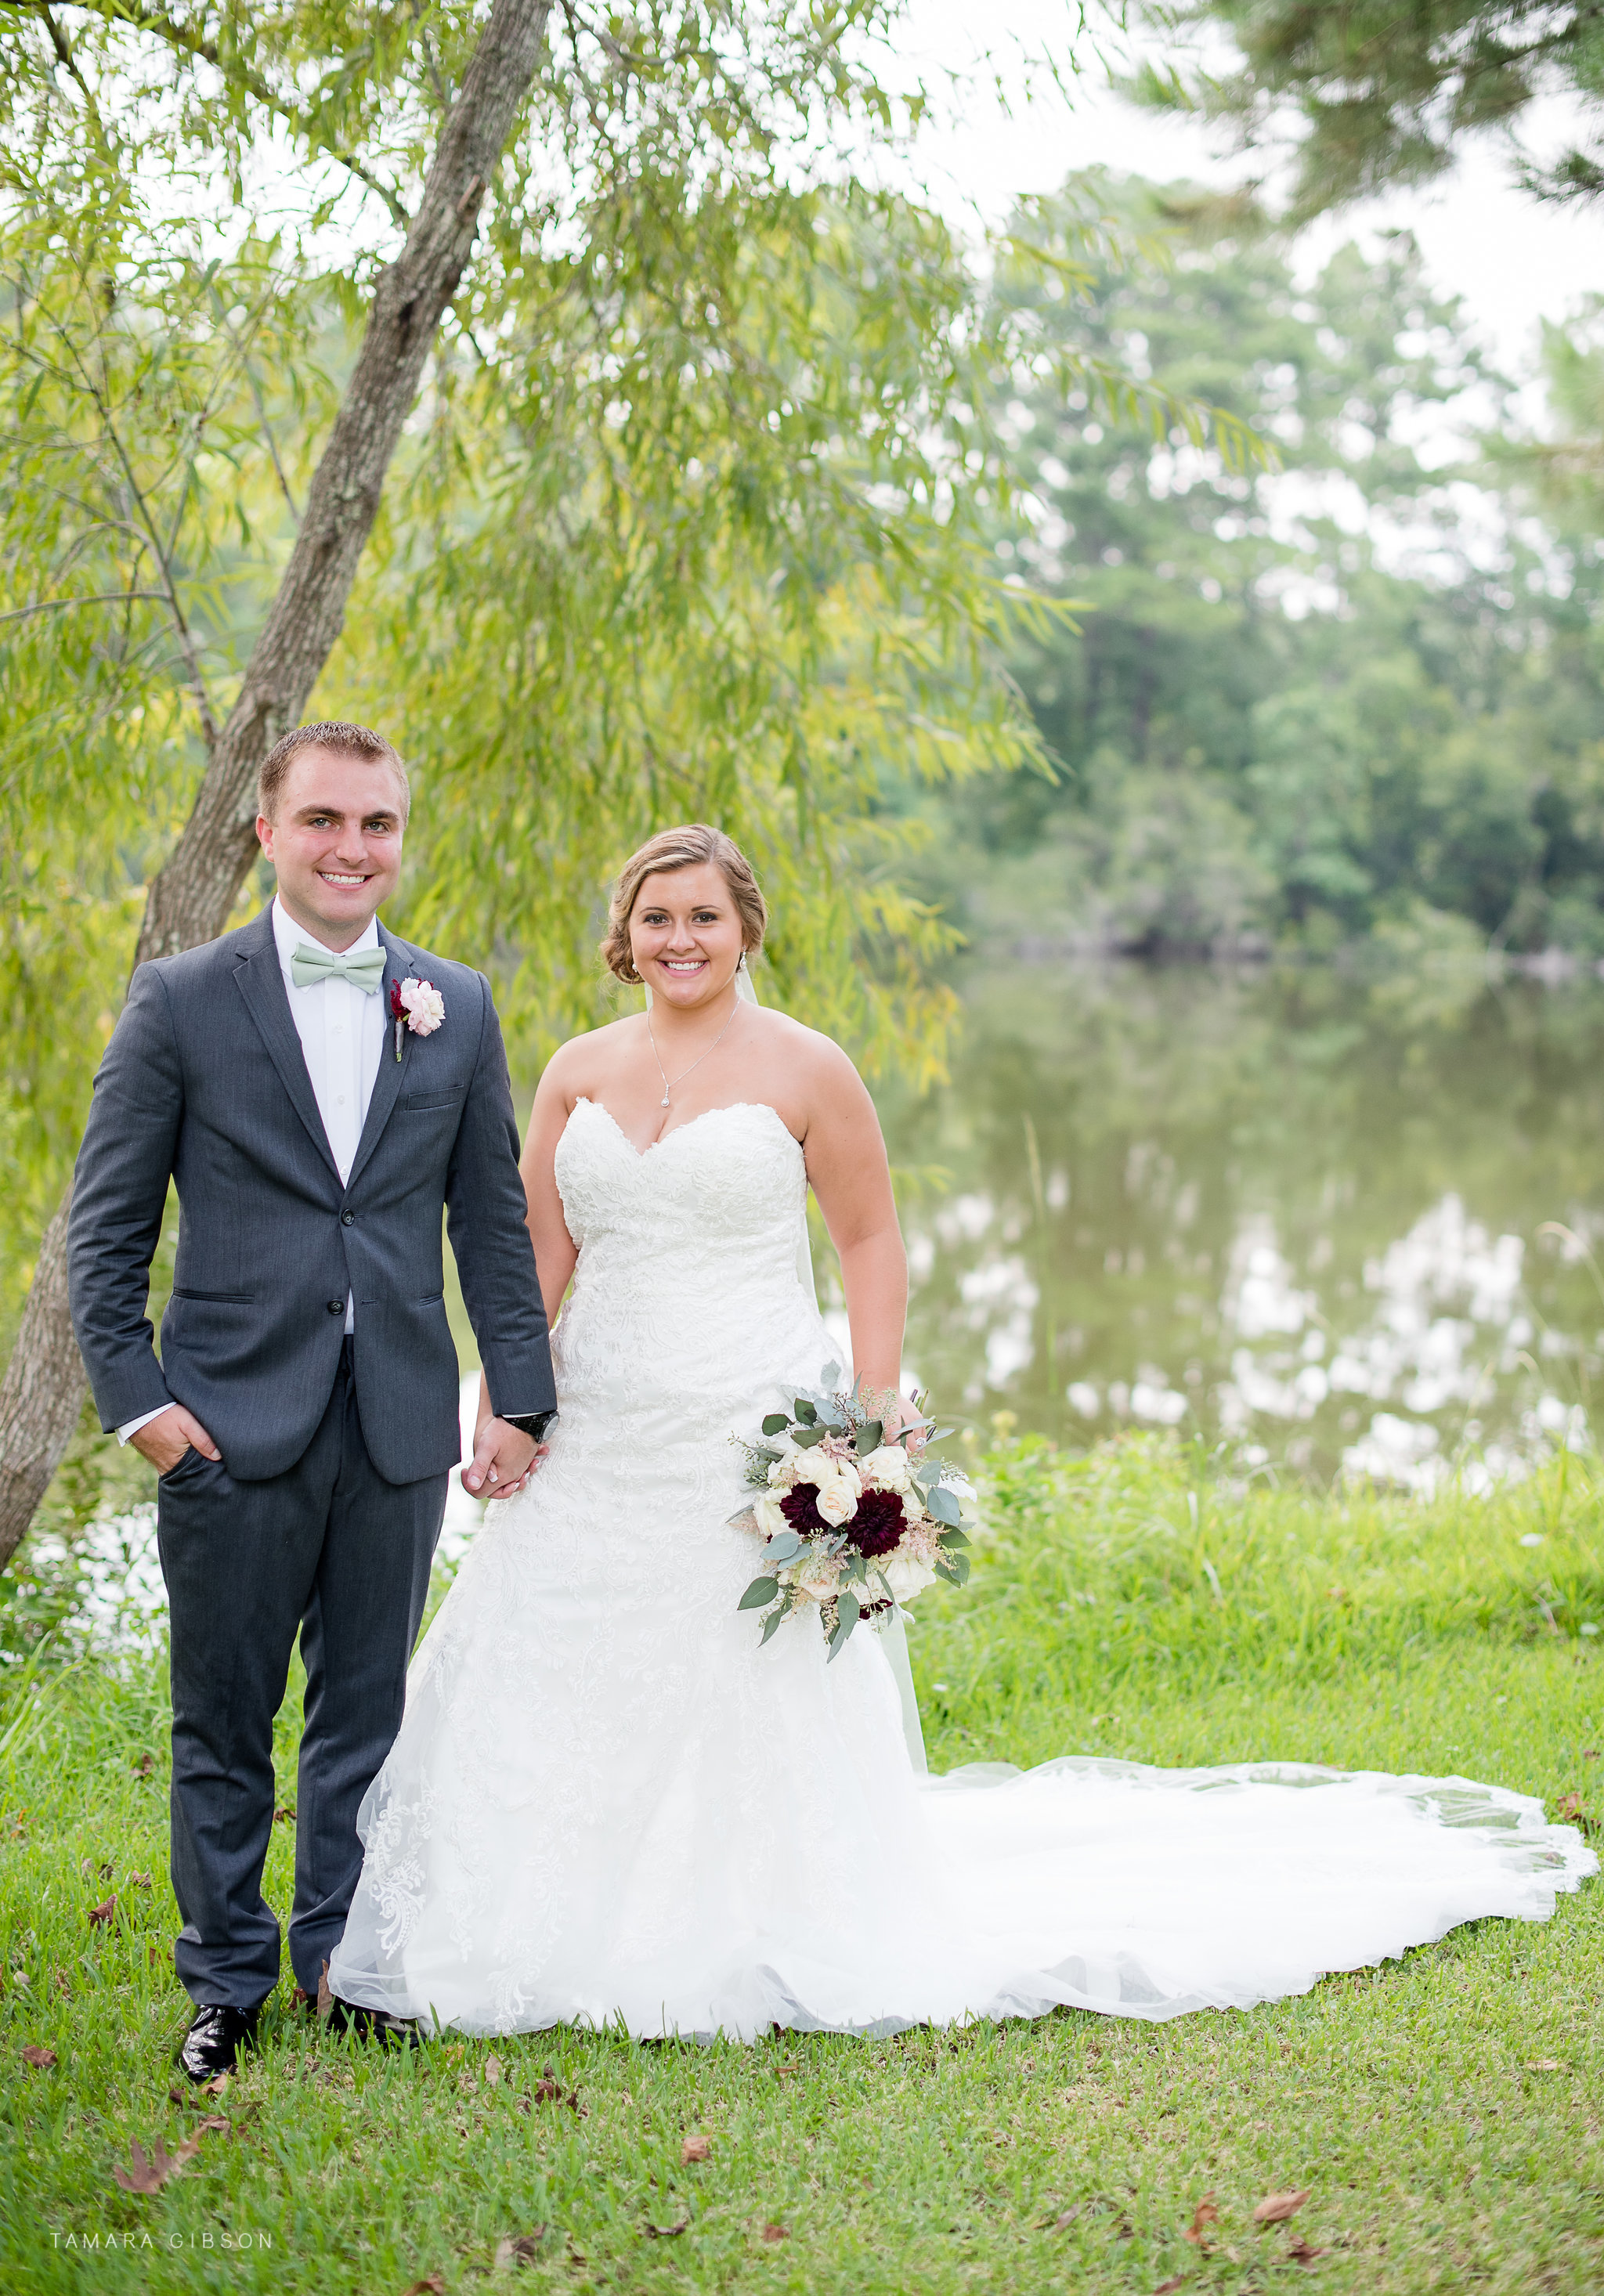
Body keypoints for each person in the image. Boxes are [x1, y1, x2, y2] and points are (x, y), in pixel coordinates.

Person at [329, 823, 1593, 2039]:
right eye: (656, 918)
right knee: (554, 1644)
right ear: (624, 936)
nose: (679, 938)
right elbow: (538, 1255)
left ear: (746, 928)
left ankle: (746, 1921)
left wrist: (871, 1424)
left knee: (741, 1665)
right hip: (597, 1418)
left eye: (702, 916)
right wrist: (509, 1402)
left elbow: (871, 1243)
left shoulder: (808, 1067)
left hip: (743, 1413)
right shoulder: (577, 1070)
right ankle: (524, 1912)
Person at [68, 723, 558, 2082]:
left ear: (403, 836)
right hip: (226, 1423)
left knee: (367, 1717)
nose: (354, 849)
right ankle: (225, 1981)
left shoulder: (452, 1002)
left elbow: (493, 1227)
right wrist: (141, 1406)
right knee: (221, 1718)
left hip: (400, 1421)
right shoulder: (180, 1000)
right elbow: (102, 1233)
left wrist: (519, 1397)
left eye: (379, 824)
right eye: (326, 822)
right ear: (269, 834)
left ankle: (342, 1965)